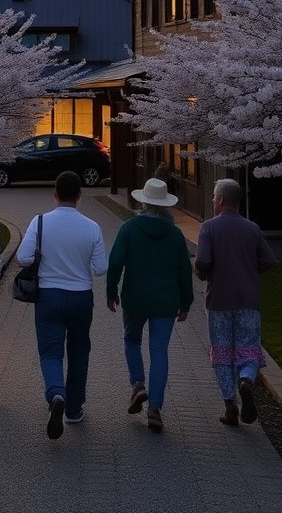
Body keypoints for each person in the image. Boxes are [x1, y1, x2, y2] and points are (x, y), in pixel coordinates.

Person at [15, 170, 108, 440]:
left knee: (50, 353)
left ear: (54, 194)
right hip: (81, 297)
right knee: (79, 351)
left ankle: (56, 393)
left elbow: (22, 258)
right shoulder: (92, 227)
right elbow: (100, 268)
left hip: (49, 296)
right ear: (80, 195)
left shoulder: (40, 222)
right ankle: (75, 409)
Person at [106, 177, 194, 433]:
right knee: (159, 352)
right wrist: (185, 303)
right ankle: (155, 407)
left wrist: (111, 292)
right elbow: (184, 271)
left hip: (135, 298)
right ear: (165, 205)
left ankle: (138, 385)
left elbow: (114, 264)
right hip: (166, 301)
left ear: (143, 201)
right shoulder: (175, 234)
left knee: (131, 341)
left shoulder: (129, 228)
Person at [193, 177, 277, 426]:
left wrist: (202, 273)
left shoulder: (209, 228)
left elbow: (203, 261)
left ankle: (230, 405)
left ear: (220, 200)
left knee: (222, 350)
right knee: (248, 345)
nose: (212, 201)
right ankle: (247, 380)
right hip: (248, 298)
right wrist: (251, 270)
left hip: (219, 299)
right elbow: (269, 260)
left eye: (213, 197)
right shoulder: (252, 228)